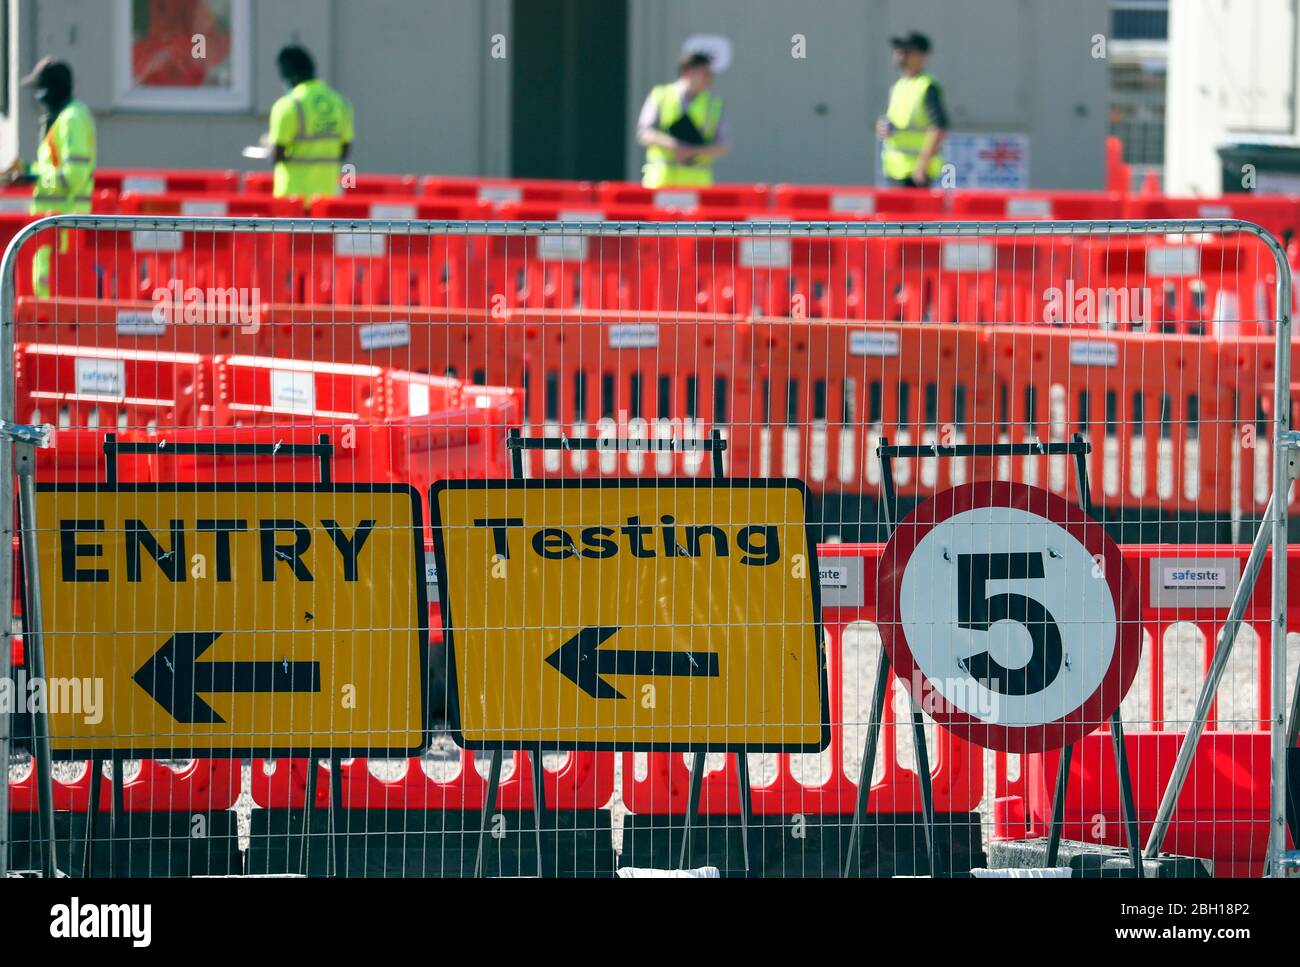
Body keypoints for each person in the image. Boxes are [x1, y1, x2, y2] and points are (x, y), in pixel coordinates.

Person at [1, 57, 96, 297]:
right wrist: (27, 170)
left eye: (39, 90)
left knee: (59, 302)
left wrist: (33, 178)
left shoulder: (71, 119)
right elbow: (54, 169)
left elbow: (72, 177)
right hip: (54, 227)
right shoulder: (64, 118)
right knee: (47, 297)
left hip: (65, 228)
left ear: (50, 90)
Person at [267, 45, 353, 201]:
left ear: (288, 76)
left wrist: (267, 144)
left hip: (292, 199)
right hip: (327, 198)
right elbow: (345, 151)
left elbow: (277, 154)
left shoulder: (288, 106)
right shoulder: (341, 104)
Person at [636, 51, 729, 189]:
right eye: (704, 73)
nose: (709, 78)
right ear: (687, 72)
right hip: (661, 182)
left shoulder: (713, 105)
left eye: (711, 74)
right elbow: (644, 133)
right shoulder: (661, 95)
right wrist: (676, 146)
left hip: (697, 184)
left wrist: (693, 151)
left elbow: (723, 146)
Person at [877, 31, 948, 188]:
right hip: (895, 170)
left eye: (907, 52)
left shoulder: (927, 86)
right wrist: (883, 126)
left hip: (916, 175)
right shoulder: (898, 86)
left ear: (923, 56)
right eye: (898, 51)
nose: (900, 56)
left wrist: (921, 167)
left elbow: (939, 127)